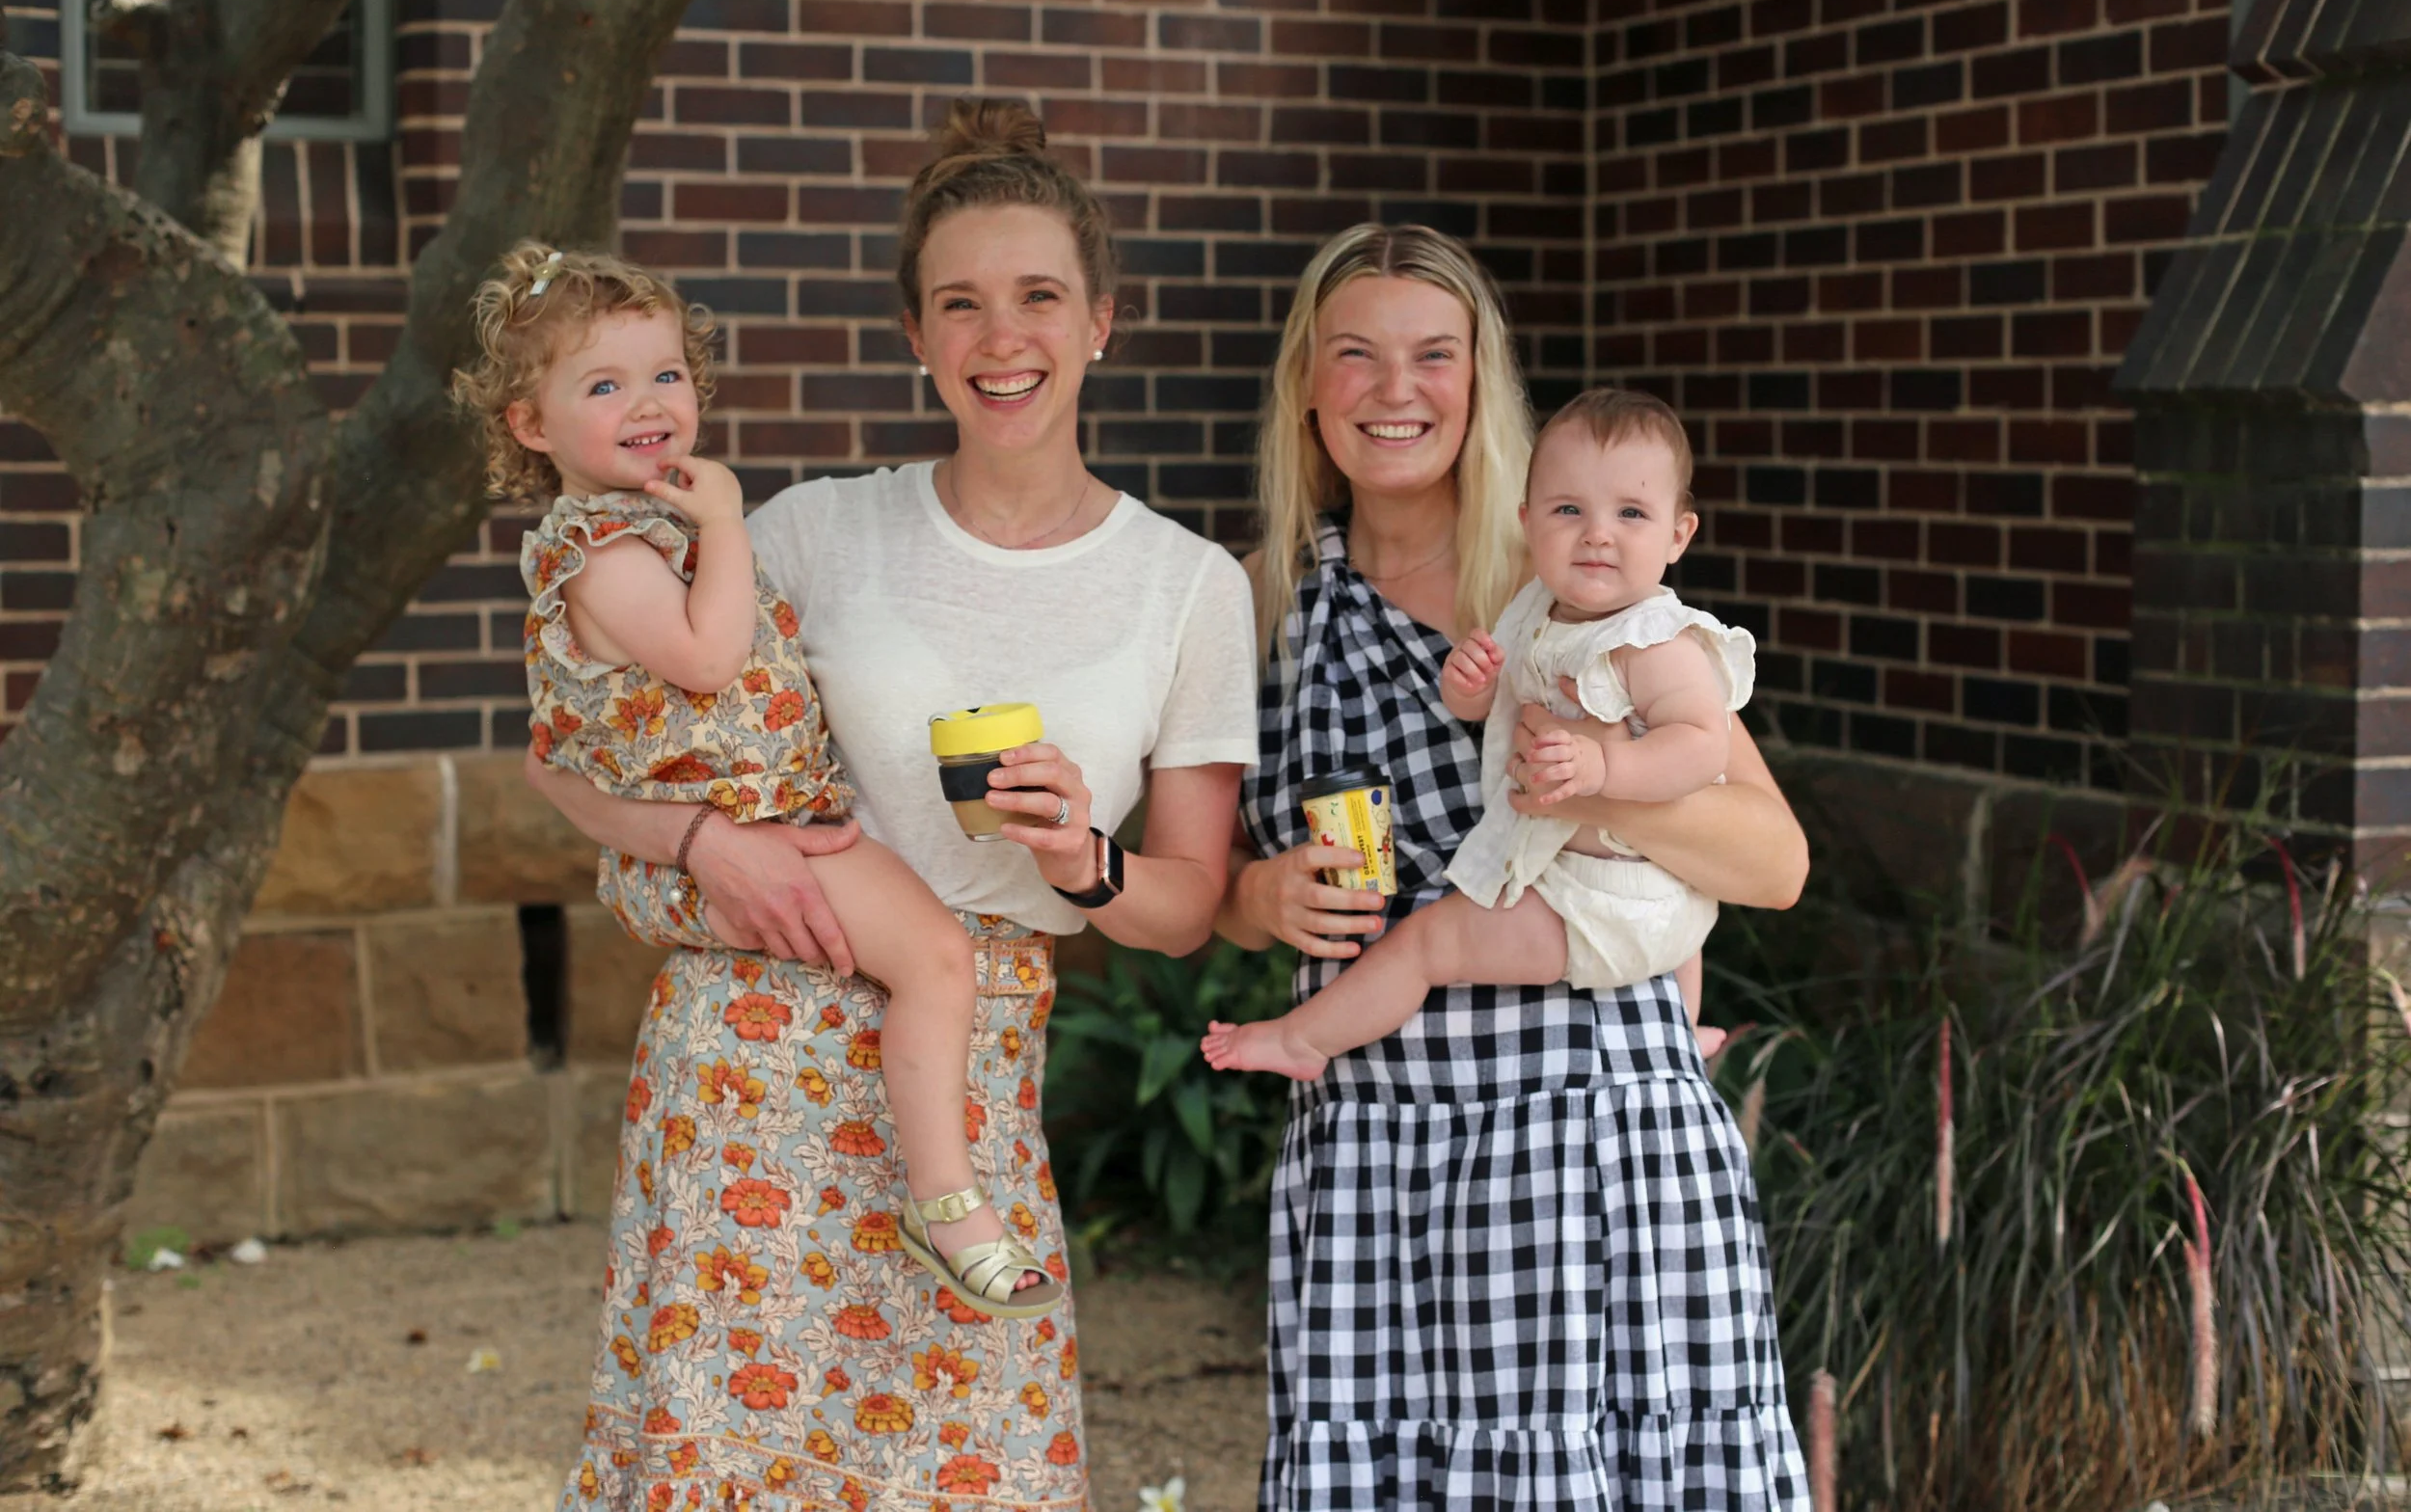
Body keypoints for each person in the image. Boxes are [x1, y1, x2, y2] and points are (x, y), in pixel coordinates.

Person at [529, 100, 1257, 1512]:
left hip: (968, 1076)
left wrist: (1083, 855)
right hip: (749, 1051)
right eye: (960, 303)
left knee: (983, 1466)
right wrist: (703, 839)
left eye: (1039, 295)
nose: (1002, 336)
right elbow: (564, 760)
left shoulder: (1187, 586)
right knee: (733, 1474)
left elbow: (1184, 909)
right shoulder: (810, 530)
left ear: (1102, 320)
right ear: (916, 334)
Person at [1217, 221, 1811, 1507]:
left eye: (1435, 353)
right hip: (1377, 1143)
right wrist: (1256, 895)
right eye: (1355, 353)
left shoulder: (1567, 579)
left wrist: (1590, 778)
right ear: (1306, 382)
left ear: (1480, 379)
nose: (1395, 388)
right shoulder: (1252, 604)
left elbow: (1774, 861)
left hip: (1595, 1126)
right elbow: (1203, 881)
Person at [460, 240, 1058, 1322]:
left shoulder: (646, 528)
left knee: (922, 961)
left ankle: (932, 1190)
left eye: (665, 372)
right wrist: (729, 520)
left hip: (768, 819)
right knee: (935, 958)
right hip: (749, 827)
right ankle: (948, 1200)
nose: (648, 402)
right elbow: (706, 657)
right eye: (604, 385)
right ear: (531, 425)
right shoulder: (603, 550)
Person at [1203, 387, 1751, 1081]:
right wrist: (1472, 688)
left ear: (1678, 535)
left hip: (1610, 895)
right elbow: (1494, 716)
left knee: (1431, 942)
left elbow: (1703, 745)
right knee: (1665, 926)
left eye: (1631, 513)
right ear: (1529, 520)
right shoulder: (1539, 611)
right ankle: (1684, 1026)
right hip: (1599, 883)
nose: (1597, 533)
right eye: (1568, 510)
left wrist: (1603, 770)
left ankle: (1302, 1040)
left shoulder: (1659, 641)